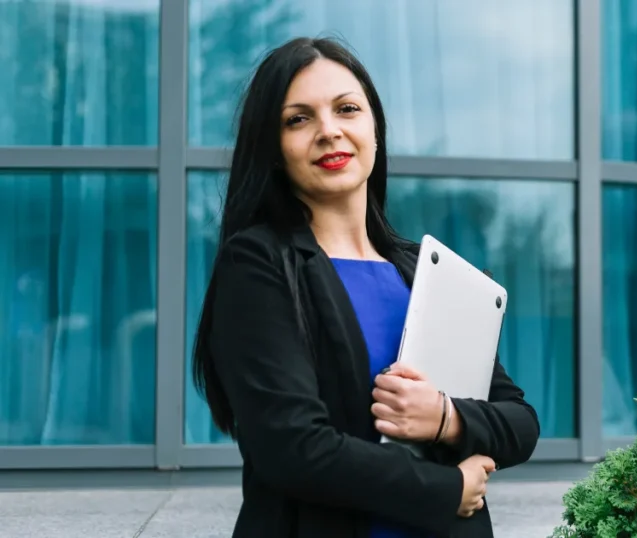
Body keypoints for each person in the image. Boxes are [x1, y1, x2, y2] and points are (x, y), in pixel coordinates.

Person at [190, 36, 540, 538]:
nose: (329, 131)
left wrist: (443, 418)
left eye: (347, 109)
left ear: (374, 129)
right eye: (298, 119)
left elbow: (519, 422)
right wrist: (444, 489)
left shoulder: (423, 270)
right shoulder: (259, 262)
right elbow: (293, 449)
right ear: (273, 148)